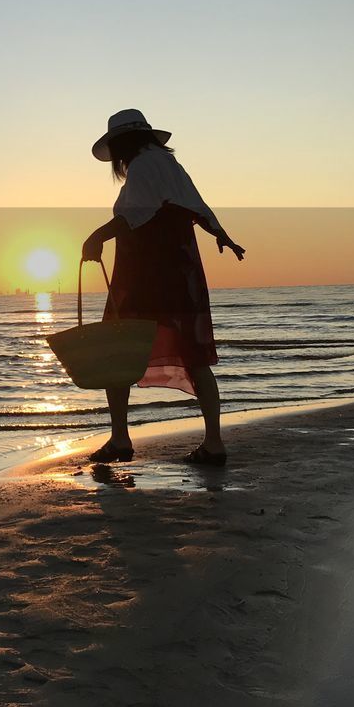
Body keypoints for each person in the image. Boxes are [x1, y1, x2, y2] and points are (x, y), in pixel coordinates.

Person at [80, 109, 245, 466]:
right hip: (181, 273)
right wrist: (222, 236)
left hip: (145, 274)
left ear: (121, 145)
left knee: (117, 351)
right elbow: (197, 208)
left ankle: (121, 439)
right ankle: (214, 442)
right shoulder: (170, 166)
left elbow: (132, 216)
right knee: (195, 355)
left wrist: (95, 237)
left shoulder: (142, 166)